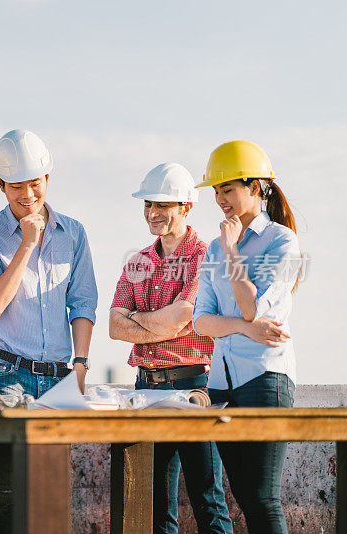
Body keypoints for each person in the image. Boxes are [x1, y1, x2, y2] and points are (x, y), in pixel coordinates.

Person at [0, 129, 97, 533]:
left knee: (51, 493)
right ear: (1, 185)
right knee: (5, 497)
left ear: (47, 179)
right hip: (6, 375)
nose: (27, 194)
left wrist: (81, 363)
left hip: (58, 377)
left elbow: (84, 303)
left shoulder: (73, 233)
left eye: (34, 184)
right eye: (16, 186)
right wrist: (26, 243)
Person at [109, 163, 233, 533]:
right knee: (155, 506)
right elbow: (115, 327)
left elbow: (182, 317)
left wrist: (138, 316)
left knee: (207, 500)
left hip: (192, 385)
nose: (152, 213)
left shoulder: (206, 256)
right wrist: (160, 320)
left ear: (186, 208)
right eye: (148, 204)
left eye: (162, 205)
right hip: (146, 387)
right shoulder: (137, 262)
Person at [193, 140, 300, 533]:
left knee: (263, 497)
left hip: (264, 378)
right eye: (217, 191)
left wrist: (233, 249)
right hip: (221, 383)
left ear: (255, 187)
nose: (221, 199)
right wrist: (240, 327)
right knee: (241, 492)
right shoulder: (213, 248)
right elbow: (201, 321)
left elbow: (254, 308)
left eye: (229, 189)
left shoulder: (281, 243)